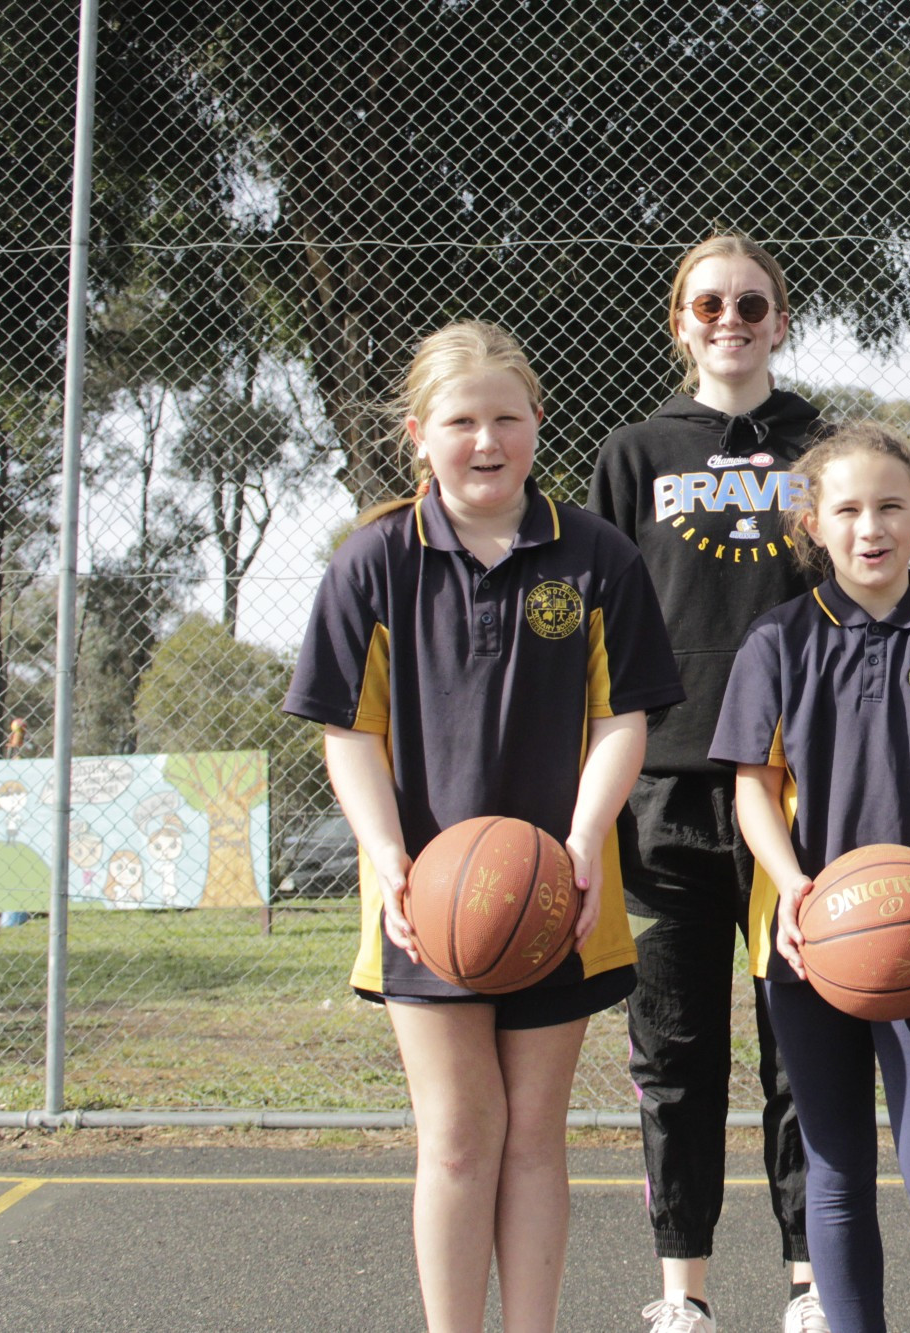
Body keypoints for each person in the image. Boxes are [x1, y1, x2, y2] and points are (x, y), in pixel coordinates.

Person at [283, 320, 684, 1333]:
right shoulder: (372, 561)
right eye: (461, 420)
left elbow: (619, 719)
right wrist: (388, 860)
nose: (486, 438)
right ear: (419, 432)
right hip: (430, 895)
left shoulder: (595, 553)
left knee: (534, 1138)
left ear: (537, 423)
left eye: (506, 417)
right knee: (458, 1138)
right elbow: (350, 735)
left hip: (561, 886)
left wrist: (584, 841)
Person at [710, 422, 910, 1333]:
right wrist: (793, 883)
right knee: (836, 1170)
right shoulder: (777, 641)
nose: (870, 526)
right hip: (810, 940)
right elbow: (753, 790)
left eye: (890, 507)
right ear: (812, 522)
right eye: (847, 509)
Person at [588, 233, 824, 1333]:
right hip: (668, 789)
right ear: (677, 322)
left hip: (795, 788)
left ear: (781, 318)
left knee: (802, 1044)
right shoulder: (634, 453)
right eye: (707, 304)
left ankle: (809, 1279)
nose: (729, 319)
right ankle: (680, 1288)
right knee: (673, 1049)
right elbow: (601, 621)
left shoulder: (825, 442)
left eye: (751, 303)